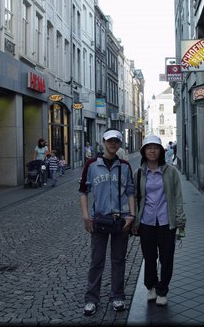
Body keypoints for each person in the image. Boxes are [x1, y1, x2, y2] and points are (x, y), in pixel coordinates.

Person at [79, 128, 135, 316]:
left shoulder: (125, 166)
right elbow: (83, 191)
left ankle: (117, 296)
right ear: (103, 142)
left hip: (121, 221)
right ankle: (91, 299)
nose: (113, 144)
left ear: (120, 144)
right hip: (99, 220)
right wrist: (86, 216)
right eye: (110, 141)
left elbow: (130, 192)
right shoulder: (92, 165)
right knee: (97, 261)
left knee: (118, 260)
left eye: (117, 141)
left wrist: (132, 216)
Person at [132, 135, 186, 306]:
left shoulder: (170, 172)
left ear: (161, 151)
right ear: (144, 152)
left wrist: (180, 219)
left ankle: (163, 290)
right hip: (146, 221)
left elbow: (177, 196)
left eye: (155, 148)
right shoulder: (139, 172)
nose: (152, 151)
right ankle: (151, 287)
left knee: (167, 257)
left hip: (166, 221)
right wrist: (134, 220)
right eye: (149, 148)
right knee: (149, 257)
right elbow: (133, 197)